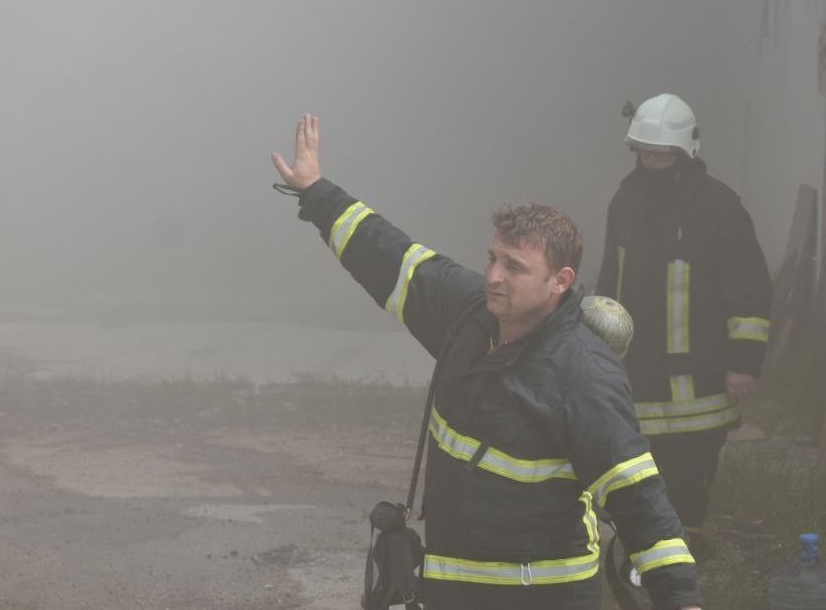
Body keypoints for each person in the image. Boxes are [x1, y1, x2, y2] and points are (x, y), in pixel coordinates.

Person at [271, 114, 701, 610]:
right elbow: (389, 256)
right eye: (492, 258)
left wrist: (681, 599)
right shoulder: (470, 312)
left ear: (560, 281)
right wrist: (316, 192)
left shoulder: (583, 375)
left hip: (544, 595)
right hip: (452, 588)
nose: (494, 276)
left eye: (515, 267)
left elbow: (637, 496)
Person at [596, 93, 772, 555]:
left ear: (684, 152)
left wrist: (744, 363)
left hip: (703, 377)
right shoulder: (625, 201)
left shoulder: (718, 206)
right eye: (644, 152)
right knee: (639, 467)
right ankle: (647, 548)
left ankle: (685, 552)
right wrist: (596, 350)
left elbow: (749, 288)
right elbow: (608, 281)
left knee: (692, 471)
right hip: (638, 372)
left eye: (660, 154)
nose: (650, 162)